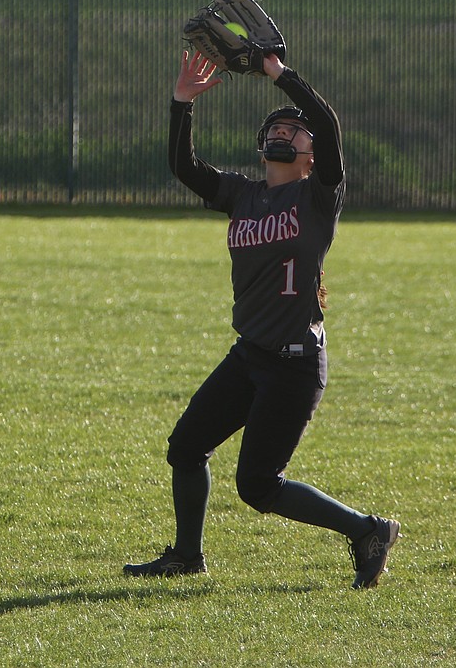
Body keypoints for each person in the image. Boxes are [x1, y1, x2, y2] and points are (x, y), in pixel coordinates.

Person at [122, 49, 400, 590]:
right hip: (250, 354)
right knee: (186, 447)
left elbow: (326, 122)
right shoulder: (242, 195)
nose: (289, 133)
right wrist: (182, 103)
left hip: (294, 364)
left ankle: (368, 530)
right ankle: (186, 554)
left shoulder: (318, 197)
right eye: (279, 126)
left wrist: (278, 76)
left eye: (298, 132)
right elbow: (186, 168)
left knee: (257, 486)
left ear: (313, 157)